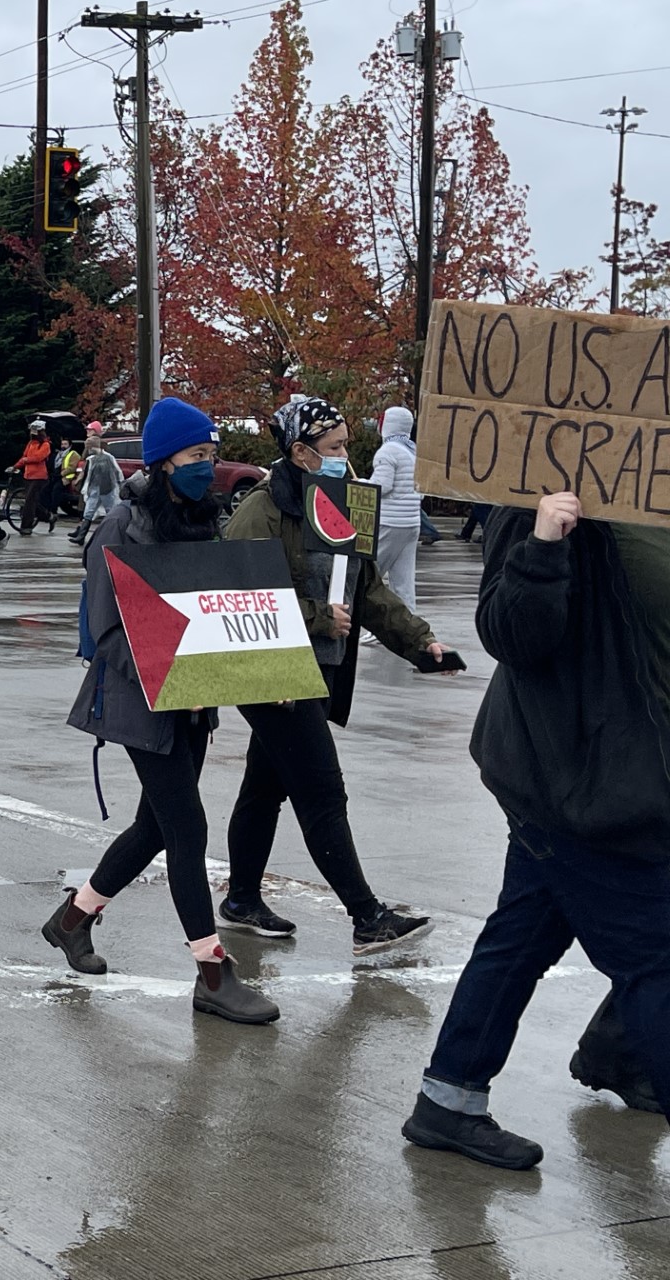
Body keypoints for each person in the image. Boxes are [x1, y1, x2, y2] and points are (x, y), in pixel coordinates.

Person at [404, 491, 670, 1170]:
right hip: (580, 780)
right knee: (657, 960)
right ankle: (615, 1054)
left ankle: (450, 1099)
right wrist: (546, 543)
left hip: (626, 776)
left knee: (524, 931)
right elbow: (510, 633)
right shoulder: (545, 499)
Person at [46, 397, 280, 1024]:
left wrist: (256, 666)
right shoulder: (122, 527)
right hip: (140, 699)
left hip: (191, 702)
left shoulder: (204, 519)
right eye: (196, 455)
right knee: (187, 829)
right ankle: (211, 970)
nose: (208, 466)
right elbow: (107, 632)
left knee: (155, 826)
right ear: (163, 459)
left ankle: (73, 919)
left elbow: (222, 609)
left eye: (211, 454)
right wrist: (173, 679)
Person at [221, 396, 443, 954]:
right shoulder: (261, 510)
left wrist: (421, 642)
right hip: (272, 673)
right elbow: (235, 596)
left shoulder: (345, 503)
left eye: (347, 446)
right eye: (335, 448)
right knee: (322, 791)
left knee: (264, 786)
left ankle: (241, 899)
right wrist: (317, 615)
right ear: (300, 452)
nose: (347, 457)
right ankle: (367, 917)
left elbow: (367, 589)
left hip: (320, 670)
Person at [368, 404, 423, 611]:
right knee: (404, 581)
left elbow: (382, 485)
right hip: (411, 523)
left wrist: (361, 484)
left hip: (390, 523)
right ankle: (409, 624)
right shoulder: (413, 451)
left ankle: (374, 623)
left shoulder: (388, 451)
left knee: (369, 576)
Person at [68, 436, 121, 545]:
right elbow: (86, 473)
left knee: (110, 512)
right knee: (89, 512)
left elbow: (117, 471)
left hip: (108, 490)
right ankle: (81, 536)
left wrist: (119, 484)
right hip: (94, 490)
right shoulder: (91, 459)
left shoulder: (108, 458)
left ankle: (114, 536)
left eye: (89, 447)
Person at [11, 419, 56, 531]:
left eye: (35, 430)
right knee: (32, 502)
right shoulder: (31, 443)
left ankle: (26, 526)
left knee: (29, 502)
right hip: (28, 476)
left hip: (39, 477)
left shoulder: (46, 444)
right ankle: (49, 516)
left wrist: (26, 460)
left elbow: (38, 458)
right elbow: (24, 457)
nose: (32, 432)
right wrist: (15, 467)